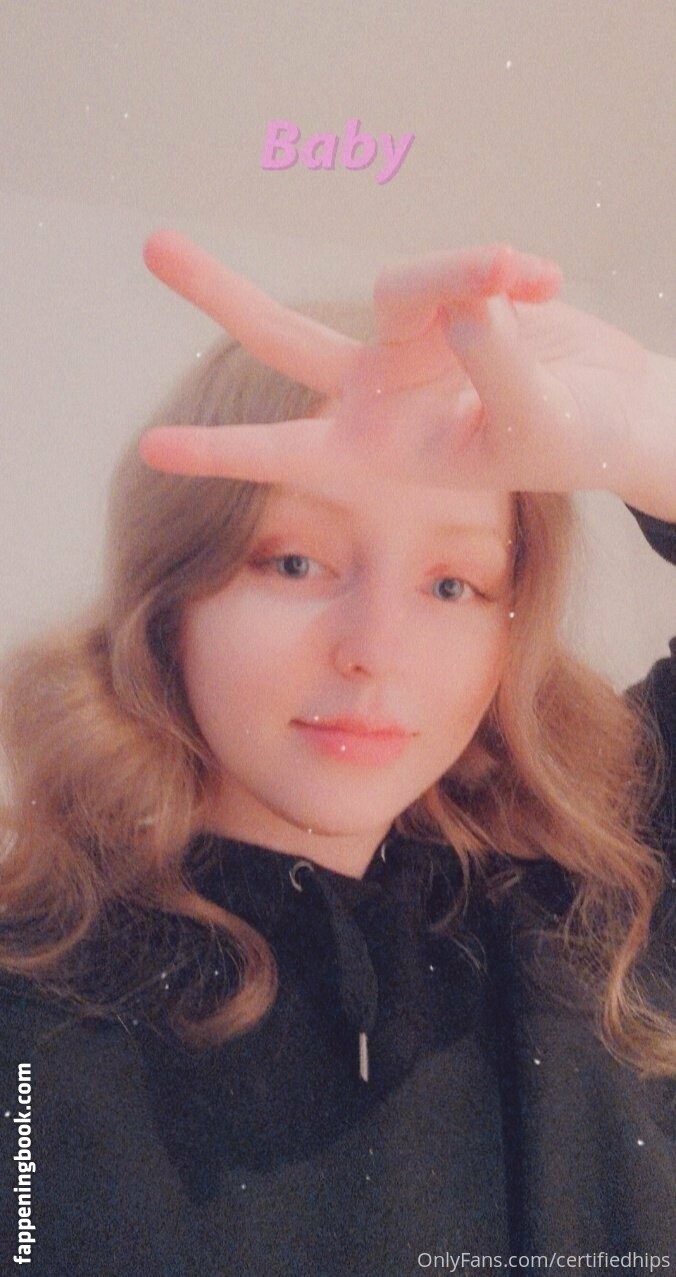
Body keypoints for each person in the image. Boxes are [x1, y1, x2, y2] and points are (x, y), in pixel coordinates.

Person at [0, 233, 674, 1276]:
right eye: (296, 562)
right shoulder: (30, 1009)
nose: (375, 650)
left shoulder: (609, 909)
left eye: (450, 583)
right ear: (170, 596)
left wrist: (647, 428)